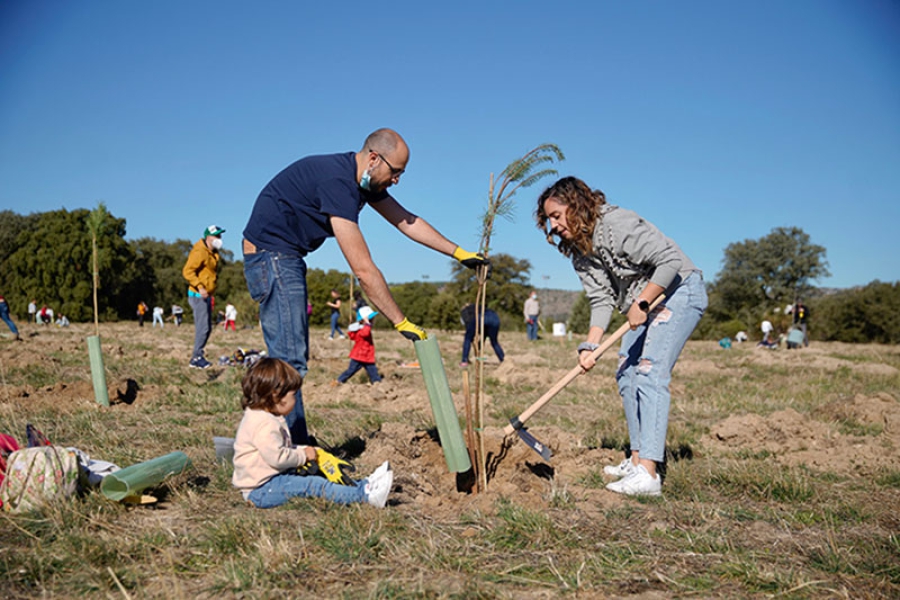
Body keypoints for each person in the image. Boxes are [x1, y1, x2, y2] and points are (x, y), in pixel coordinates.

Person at [242, 128, 488, 443]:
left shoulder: (361, 179)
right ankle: (289, 450)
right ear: (373, 158)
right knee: (290, 361)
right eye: (395, 171)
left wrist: (458, 253)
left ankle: (284, 443)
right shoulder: (339, 183)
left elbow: (406, 221)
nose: (397, 180)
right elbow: (363, 269)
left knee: (289, 359)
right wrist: (401, 321)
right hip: (272, 257)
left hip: (281, 257)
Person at [536, 176, 707, 497]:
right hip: (643, 304)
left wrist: (642, 302)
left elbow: (669, 260)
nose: (554, 226)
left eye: (556, 215)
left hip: (679, 291)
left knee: (649, 372)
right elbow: (601, 299)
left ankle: (649, 474)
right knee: (627, 376)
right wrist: (591, 345)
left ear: (576, 204)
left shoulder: (617, 223)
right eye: (548, 221)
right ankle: (637, 458)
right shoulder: (579, 250)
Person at [232, 357, 393, 509]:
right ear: (276, 395)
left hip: (269, 481)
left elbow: (278, 449)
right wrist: (304, 456)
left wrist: (311, 451)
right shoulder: (264, 423)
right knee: (313, 485)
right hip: (261, 490)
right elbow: (277, 458)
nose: (295, 400)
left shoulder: (262, 416)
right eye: (293, 395)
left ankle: (363, 485)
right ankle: (365, 496)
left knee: (321, 477)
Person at [182, 224, 225, 369]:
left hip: (206, 296)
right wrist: (200, 286)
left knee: (207, 328)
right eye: (216, 236)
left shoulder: (213, 253)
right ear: (208, 238)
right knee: (203, 328)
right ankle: (196, 358)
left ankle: (198, 355)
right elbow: (187, 271)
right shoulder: (200, 252)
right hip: (197, 295)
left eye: (220, 235)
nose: (219, 239)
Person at [334, 309, 382, 385]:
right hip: (361, 355)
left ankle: (377, 382)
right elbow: (365, 333)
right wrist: (367, 324)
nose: (373, 321)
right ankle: (339, 381)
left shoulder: (361, 329)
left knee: (372, 371)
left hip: (365, 356)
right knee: (351, 370)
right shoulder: (362, 330)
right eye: (371, 319)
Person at [460, 303, 505, 367]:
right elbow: (484, 334)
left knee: (467, 338)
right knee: (494, 342)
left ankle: (464, 361)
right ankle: (503, 360)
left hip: (481, 317)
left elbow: (468, 324)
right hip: (495, 318)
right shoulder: (478, 306)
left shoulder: (464, 311)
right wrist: (479, 344)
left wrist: (471, 337)